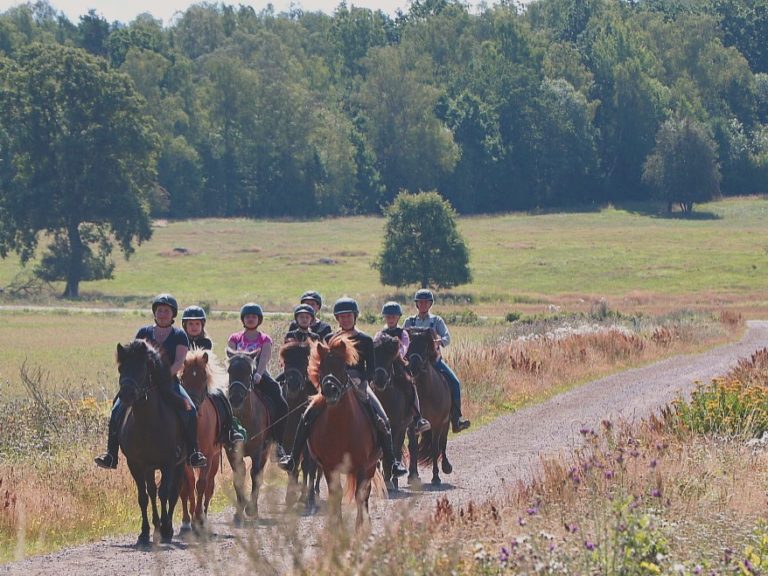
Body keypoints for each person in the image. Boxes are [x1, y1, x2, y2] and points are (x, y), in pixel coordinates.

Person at [278, 297, 408, 478]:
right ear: (337, 319)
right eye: (342, 317)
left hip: (358, 384)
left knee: (381, 417)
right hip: (332, 385)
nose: (345, 319)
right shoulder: (330, 338)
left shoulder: (365, 340)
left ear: (355, 317)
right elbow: (321, 364)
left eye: (348, 316)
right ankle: (292, 458)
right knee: (307, 414)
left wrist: (357, 380)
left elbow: (369, 370)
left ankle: (392, 461)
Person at [95, 294, 207, 469]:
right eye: (159, 310)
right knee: (117, 408)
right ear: (155, 312)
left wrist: (162, 376)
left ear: (173, 314)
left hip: (169, 383)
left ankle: (193, 453)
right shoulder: (143, 332)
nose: (162, 314)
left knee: (190, 409)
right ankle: (111, 454)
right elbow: (134, 356)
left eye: (166, 311)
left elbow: (179, 362)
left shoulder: (179, 335)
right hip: (142, 383)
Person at [403, 289, 471, 433]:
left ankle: (456, 419)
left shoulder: (436, 321)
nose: (423, 305)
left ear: (430, 304)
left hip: (433, 361)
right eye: (420, 302)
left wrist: (438, 341)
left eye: (426, 302)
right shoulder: (409, 321)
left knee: (455, 382)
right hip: (413, 363)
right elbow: (403, 340)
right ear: (417, 304)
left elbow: (447, 337)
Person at [228, 303, 288, 460]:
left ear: (259, 319)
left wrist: (259, 374)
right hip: (239, 377)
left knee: (280, 402)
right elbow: (231, 357)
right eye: (247, 316)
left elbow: (265, 358)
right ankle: (223, 437)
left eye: (254, 317)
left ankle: (277, 443)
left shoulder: (264, 339)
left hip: (259, 375)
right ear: (243, 319)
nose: (250, 319)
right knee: (221, 400)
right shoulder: (234, 338)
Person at [181, 305, 245, 446]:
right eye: (190, 324)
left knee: (221, 398)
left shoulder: (206, 342)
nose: (194, 327)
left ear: (202, 325)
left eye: (197, 324)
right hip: (184, 379)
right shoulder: (180, 339)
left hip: (202, 381)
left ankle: (230, 429)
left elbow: (203, 360)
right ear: (184, 325)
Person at [374, 301, 431, 435]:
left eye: (393, 317)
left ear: (398, 318)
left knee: (411, 386)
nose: (391, 319)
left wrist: (396, 355)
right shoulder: (379, 334)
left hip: (399, 364)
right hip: (384, 365)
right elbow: (375, 346)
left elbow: (405, 347)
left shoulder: (403, 333)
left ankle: (417, 418)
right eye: (388, 317)